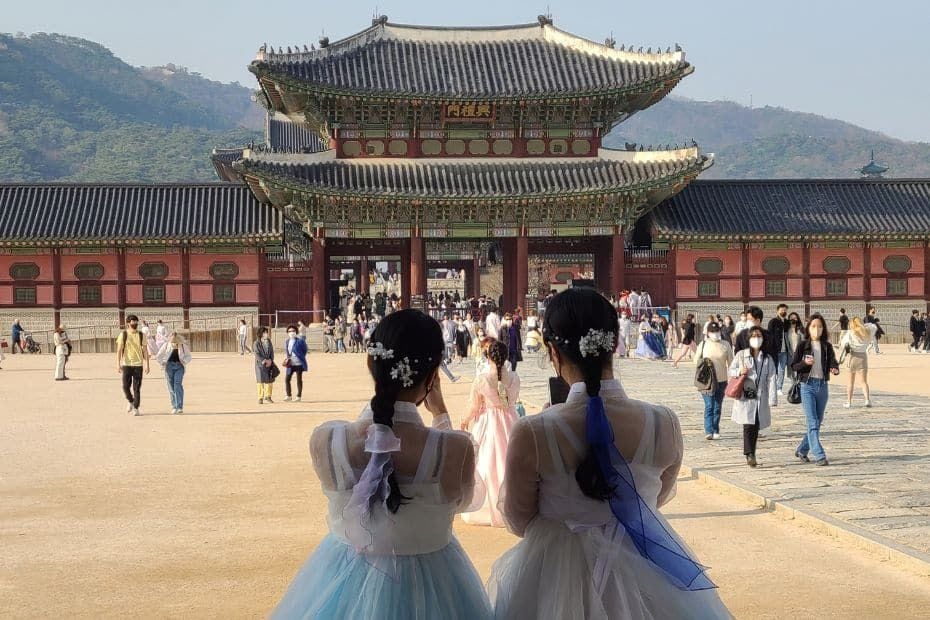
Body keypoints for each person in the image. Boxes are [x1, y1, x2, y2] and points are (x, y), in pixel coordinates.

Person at [489, 288, 728, 619]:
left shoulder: (534, 432)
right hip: (646, 572)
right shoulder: (663, 423)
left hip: (554, 572)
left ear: (553, 351)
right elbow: (653, 499)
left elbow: (517, 519)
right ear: (615, 344)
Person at [271, 309, 491, 619]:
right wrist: (440, 414)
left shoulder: (327, 440)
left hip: (341, 575)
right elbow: (460, 502)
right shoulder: (454, 448)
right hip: (436, 582)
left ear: (370, 363)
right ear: (432, 378)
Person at [461, 340, 520, 527]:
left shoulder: (482, 379)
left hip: (489, 421)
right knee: (510, 459)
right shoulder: (515, 377)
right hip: (510, 420)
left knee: (487, 463)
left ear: (488, 357)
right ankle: (514, 504)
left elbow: (474, 405)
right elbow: (513, 400)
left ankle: (487, 507)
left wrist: (464, 420)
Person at [791, 314, 840, 466]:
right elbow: (794, 366)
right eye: (813, 326)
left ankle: (802, 449)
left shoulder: (827, 346)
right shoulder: (803, 345)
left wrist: (834, 368)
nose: (816, 329)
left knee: (818, 422)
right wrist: (804, 363)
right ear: (808, 328)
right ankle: (819, 455)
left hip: (822, 386)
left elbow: (833, 362)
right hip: (807, 386)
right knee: (812, 421)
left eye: (819, 326)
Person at [728, 326, 777, 468]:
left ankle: (751, 452)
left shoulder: (767, 358)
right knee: (748, 424)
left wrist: (772, 399)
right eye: (753, 336)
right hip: (747, 390)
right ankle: (749, 454)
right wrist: (739, 371)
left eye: (759, 335)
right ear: (749, 339)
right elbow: (731, 371)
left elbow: (772, 378)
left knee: (756, 424)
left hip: (761, 393)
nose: (756, 338)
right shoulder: (741, 355)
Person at [694, 322, 733, 440]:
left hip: (722, 380)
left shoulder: (725, 344)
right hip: (707, 381)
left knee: (717, 406)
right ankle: (708, 430)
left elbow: (731, 362)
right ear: (708, 333)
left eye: (717, 331)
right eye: (712, 332)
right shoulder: (703, 344)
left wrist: (733, 377)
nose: (715, 334)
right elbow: (696, 360)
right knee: (709, 405)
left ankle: (716, 428)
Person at [116, 315, 150, 416]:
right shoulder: (123, 335)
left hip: (138, 364)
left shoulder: (141, 335)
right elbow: (118, 351)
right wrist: (118, 364)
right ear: (128, 323)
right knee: (125, 386)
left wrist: (147, 365)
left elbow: (145, 350)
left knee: (137, 388)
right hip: (127, 364)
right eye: (133, 321)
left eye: (136, 321)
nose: (135, 323)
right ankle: (130, 401)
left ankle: (136, 407)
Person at [840, 317, 877, 408]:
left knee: (850, 382)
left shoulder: (851, 333)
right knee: (864, 381)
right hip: (863, 356)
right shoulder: (867, 332)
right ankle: (867, 400)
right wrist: (863, 326)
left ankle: (849, 402)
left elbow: (843, 344)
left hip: (853, 356)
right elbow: (874, 326)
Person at [156, 332, 192, 414]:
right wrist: (162, 362)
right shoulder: (166, 345)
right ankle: (174, 406)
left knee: (177, 384)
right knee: (171, 387)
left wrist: (184, 361)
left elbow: (189, 356)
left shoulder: (183, 346)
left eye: (175, 342)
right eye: (172, 341)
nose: (174, 344)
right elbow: (158, 356)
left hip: (179, 367)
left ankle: (179, 407)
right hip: (169, 367)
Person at [767, 304, 791, 395]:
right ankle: (771, 387)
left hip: (785, 351)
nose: (783, 311)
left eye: (785, 310)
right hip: (775, 350)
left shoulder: (787, 323)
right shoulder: (773, 322)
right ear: (777, 311)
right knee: (773, 369)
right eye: (781, 310)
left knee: (781, 370)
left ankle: (779, 388)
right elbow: (769, 336)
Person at [283, 324, 308, 403]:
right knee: (287, 379)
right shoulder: (287, 341)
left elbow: (305, 350)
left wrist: (300, 356)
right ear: (287, 332)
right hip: (290, 364)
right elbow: (287, 352)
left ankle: (298, 396)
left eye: (293, 331)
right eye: (290, 331)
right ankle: (288, 395)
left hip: (298, 364)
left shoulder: (300, 341)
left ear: (296, 332)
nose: (291, 332)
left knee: (299, 380)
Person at [253, 327, 276, 404]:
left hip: (269, 363)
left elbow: (272, 352)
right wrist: (264, 360)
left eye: (266, 332)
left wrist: (271, 360)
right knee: (260, 381)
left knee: (270, 380)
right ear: (261, 334)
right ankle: (260, 397)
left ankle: (268, 396)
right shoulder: (256, 343)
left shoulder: (269, 341)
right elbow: (256, 354)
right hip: (260, 365)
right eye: (265, 332)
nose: (266, 334)